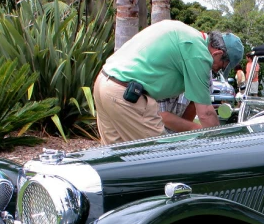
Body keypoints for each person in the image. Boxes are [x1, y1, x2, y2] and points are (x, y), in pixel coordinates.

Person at [92, 20, 243, 145]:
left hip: (104, 83)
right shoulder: (200, 54)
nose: (214, 70)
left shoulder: (183, 31)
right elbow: (206, 113)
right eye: (220, 66)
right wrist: (221, 144)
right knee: (159, 159)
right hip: (126, 94)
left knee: (116, 158)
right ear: (218, 53)